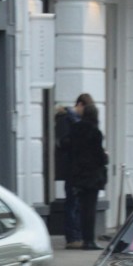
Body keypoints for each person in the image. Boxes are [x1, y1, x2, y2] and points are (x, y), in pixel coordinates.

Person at [68, 99, 109, 250]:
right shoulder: (95, 132)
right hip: (92, 175)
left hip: (78, 174)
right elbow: (99, 156)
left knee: (82, 208)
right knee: (90, 209)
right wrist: (106, 156)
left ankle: (83, 238)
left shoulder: (75, 129)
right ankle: (89, 240)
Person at [54, 101, 82, 248]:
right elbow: (64, 143)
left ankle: (76, 236)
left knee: (74, 203)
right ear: (80, 104)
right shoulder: (67, 120)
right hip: (71, 167)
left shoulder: (71, 120)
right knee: (72, 203)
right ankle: (73, 237)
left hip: (73, 167)